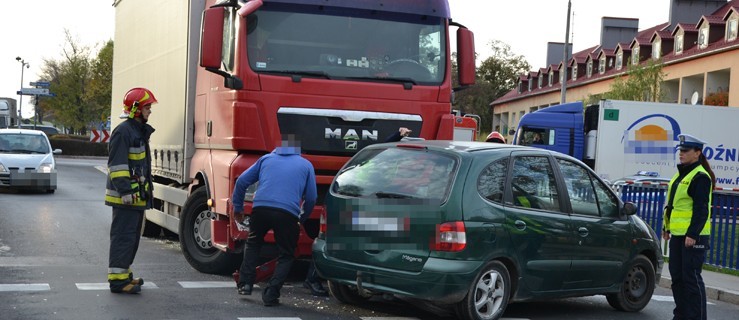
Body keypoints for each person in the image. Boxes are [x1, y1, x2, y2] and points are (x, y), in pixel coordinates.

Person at [232, 135, 317, 306]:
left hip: (260, 209)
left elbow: (241, 181)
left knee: (254, 243)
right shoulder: (306, 165)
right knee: (286, 253)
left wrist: (238, 208)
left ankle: (245, 284)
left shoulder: (266, 159)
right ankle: (271, 293)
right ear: (299, 150)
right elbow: (312, 197)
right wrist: (302, 218)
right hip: (288, 213)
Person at [105, 87, 157, 294]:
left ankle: (124, 274)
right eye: (147, 107)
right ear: (136, 109)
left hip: (135, 198)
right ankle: (117, 282)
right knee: (123, 237)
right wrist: (125, 191)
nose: (150, 111)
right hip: (125, 198)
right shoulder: (123, 131)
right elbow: (117, 165)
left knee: (131, 239)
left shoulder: (136, 130)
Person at [663, 134, 715, 320]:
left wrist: (692, 234)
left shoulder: (701, 177)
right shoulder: (681, 174)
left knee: (691, 278)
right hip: (678, 235)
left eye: (685, 151)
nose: (681, 154)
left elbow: (701, 210)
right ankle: (682, 316)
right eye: (680, 150)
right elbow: (674, 205)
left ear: (697, 153)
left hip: (694, 236)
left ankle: (697, 317)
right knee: (677, 278)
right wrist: (666, 227)